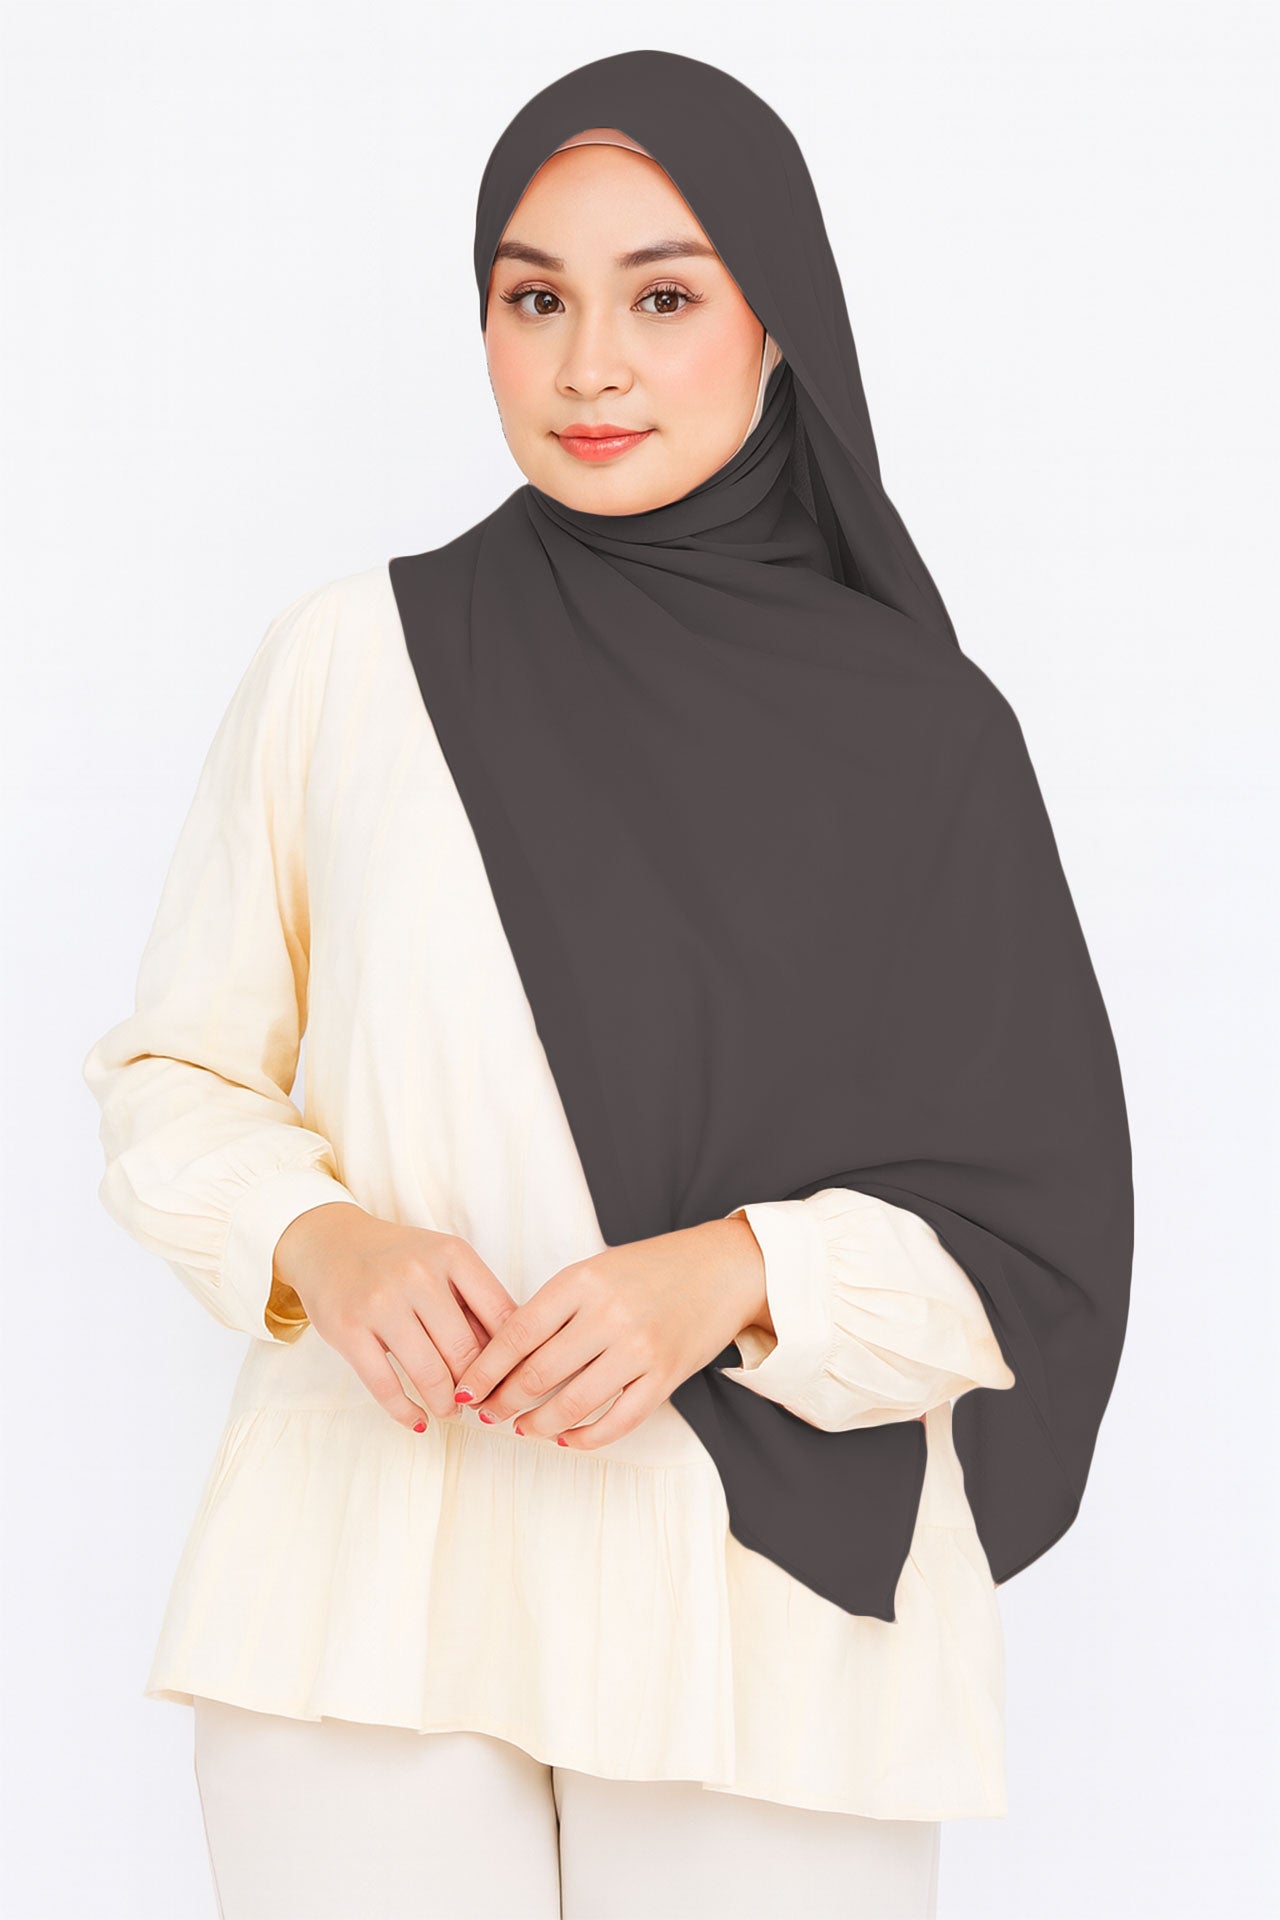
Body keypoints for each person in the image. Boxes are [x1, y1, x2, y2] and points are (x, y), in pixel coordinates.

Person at [82, 49, 1132, 1920]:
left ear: (774, 320)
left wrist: (728, 1273)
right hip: (366, 1574)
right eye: (533, 299)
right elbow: (175, 1074)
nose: (588, 367)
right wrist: (326, 1242)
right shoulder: (353, 661)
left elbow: (1027, 1236)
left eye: (663, 298)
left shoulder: (924, 738)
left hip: (754, 1613)